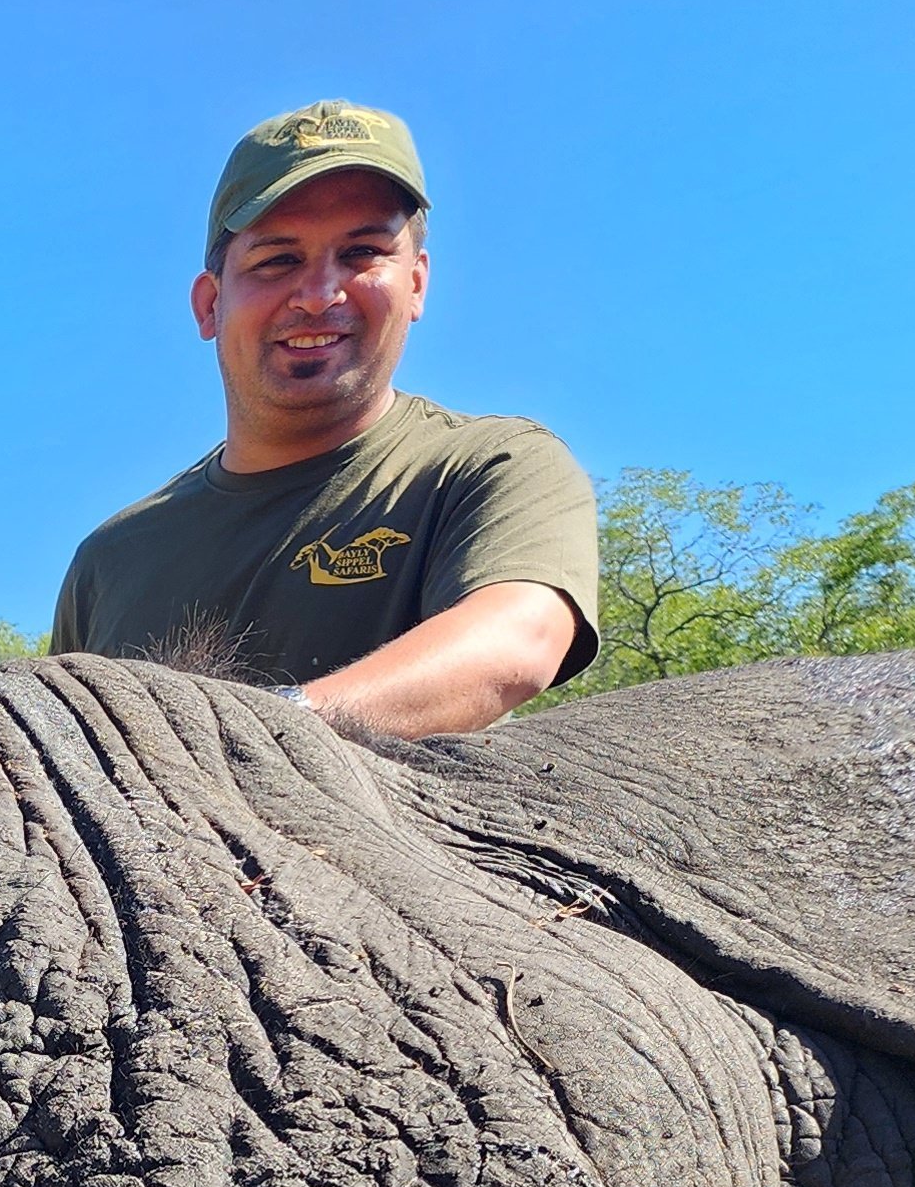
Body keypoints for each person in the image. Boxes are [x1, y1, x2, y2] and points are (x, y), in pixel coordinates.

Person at [51, 102, 599, 735]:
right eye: (278, 260)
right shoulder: (110, 561)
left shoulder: (490, 467)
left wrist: (255, 739)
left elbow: (515, 642)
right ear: (209, 304)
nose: (318, 295)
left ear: (416, 285)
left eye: (363, 252)